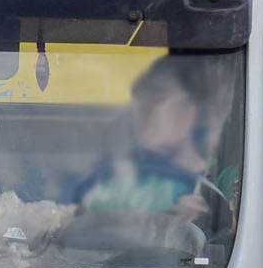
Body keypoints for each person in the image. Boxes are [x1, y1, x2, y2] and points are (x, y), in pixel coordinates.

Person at [76, 54, 234, 230]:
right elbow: (86, 230)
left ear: (190, 109)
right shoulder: (122, 182)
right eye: (139, 102)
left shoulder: (230, 180)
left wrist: (205, 219)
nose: (140, 115)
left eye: (156, 100)